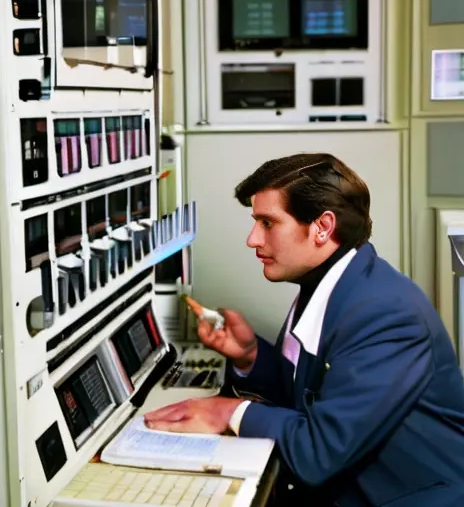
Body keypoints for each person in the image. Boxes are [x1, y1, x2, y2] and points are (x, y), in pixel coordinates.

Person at [144, 153, 464, 506]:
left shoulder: (386, 313)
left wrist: (228, 411)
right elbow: (308, 395)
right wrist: (250, 356)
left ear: (322, 227)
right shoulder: (331, 284)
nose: (252, 239)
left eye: (268, 223)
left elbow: (319, 450)